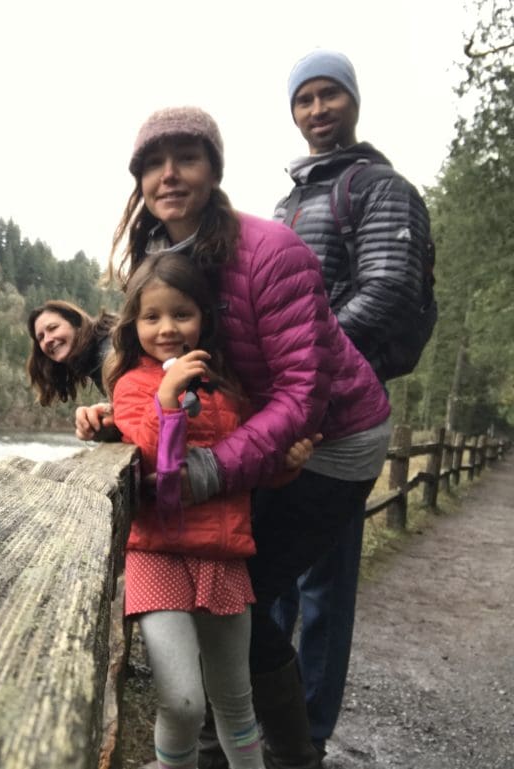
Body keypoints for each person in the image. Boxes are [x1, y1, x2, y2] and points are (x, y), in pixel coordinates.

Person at [108, 105, 391, 769]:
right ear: (139, 177)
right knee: (234, 578)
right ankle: (221, 743)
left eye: (187, 157)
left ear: (214, 170)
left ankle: (291, 753)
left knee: (245, 584)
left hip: (338, 437)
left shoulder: (269, 252)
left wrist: (208, 472)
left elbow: (302, 393)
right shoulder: (166, 260)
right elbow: (153, 361)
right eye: (154, 161)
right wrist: (109, 410)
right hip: (259, 435)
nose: (169, 173)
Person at [268, 49, 434, 762]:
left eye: (328, 94)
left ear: (353, 101)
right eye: (304, 99)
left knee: (325, 581)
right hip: (286, 406)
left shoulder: (379, 186)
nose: (316, 111)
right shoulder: (290, 201)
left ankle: (304, 734)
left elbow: (390, 287)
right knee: (269, 568)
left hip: (342, 411)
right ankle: (262, 712)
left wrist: (306, 364)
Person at [105, 250, 315, 769]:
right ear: (135, 324)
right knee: (180, 702)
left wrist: (287, 464)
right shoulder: (133, 384)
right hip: (158, 555)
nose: (167, 328)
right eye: (152, 317)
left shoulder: (227, 388)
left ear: (203, 317)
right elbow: (155, 461)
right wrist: (168, 399)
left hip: (222, 557)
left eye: (182, 313)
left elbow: (250, 464)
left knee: (236, 701)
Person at [26, 300, 116, 406]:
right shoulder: (94, 357)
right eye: (41, 337)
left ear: (76, 323)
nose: (47, 340)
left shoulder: (111, 351)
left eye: (53, 328)